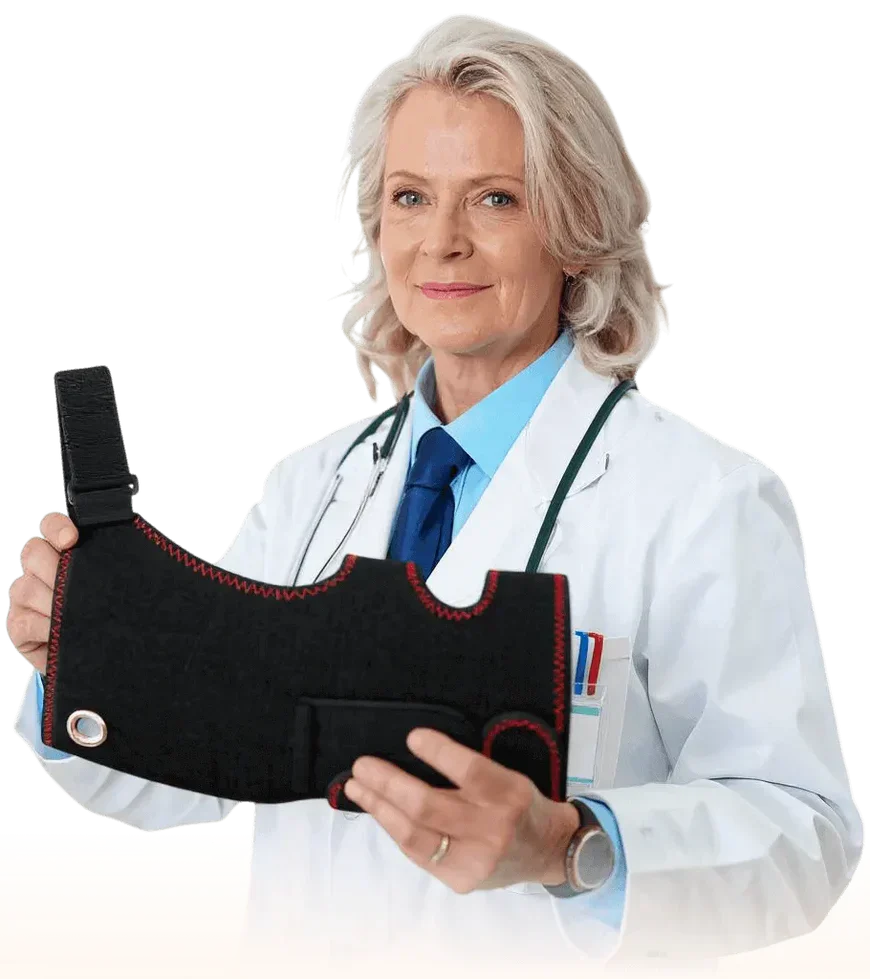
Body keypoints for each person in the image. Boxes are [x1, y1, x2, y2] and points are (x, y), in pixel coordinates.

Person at [9, 16, 864, 973]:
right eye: (411, 197)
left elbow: (806, 831)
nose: (442, 243)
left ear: (577, 233)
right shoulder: (309, 487)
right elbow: (195, 779)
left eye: (496, 199)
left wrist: (572, 844)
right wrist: (80, 662)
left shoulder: (702, 499)